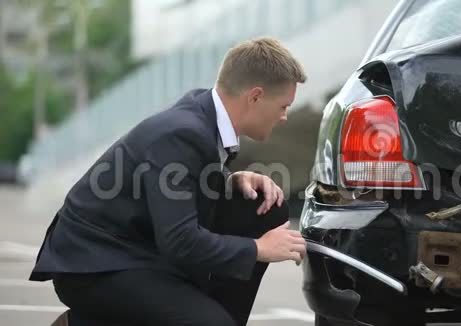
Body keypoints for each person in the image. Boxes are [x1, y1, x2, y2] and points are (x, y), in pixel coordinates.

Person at [30, 37, 308, 326]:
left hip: (135, 249)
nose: (285, 116)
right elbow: (180, 240)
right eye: (283, 106)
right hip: (94, 263)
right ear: (255, 97)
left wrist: (228, 180)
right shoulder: (182, 134)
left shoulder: (204, 116)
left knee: (262, 206)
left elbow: (177, 182)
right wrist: (258, 248)